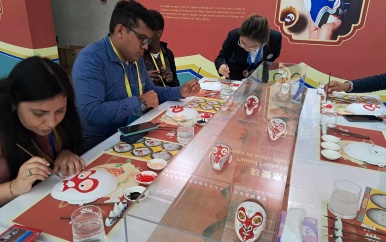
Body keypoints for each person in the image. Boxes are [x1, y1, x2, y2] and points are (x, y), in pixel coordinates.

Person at [72, 0, 199, 151]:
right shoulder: (91, 59)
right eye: (142, 39)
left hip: (133, 132)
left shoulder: (134, 57)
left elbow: (151, 92)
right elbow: (91, 113)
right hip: (99, 143)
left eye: (148, 41)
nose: (145, 47)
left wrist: (179, 91)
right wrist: (140, 102)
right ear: (120, 30)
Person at [0, 56, 85, 206]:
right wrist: (14, 187)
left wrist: (66, 152)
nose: (52, 123)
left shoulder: (66, 117)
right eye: (39, 114)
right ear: (14, 103)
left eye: (60, 110)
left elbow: (71, 141)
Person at [214, 14, 282, 81]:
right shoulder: (234, 35)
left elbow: (275, 54)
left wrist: (261, 67)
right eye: (243, 43)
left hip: (260, 74)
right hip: (236, 73)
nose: (247, 49)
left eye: (254, 46)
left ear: (264, 41)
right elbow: (221, 58)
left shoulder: (275, 38)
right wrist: (221, 65)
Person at [143, 10, 180, 87]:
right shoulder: (138, 53)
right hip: (147, 97)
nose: (143, 34)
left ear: (159, 33)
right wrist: (143, 78)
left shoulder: (168, 54)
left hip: (167, 98)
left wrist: (171, 80)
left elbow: (177, 86)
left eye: (147, 31)